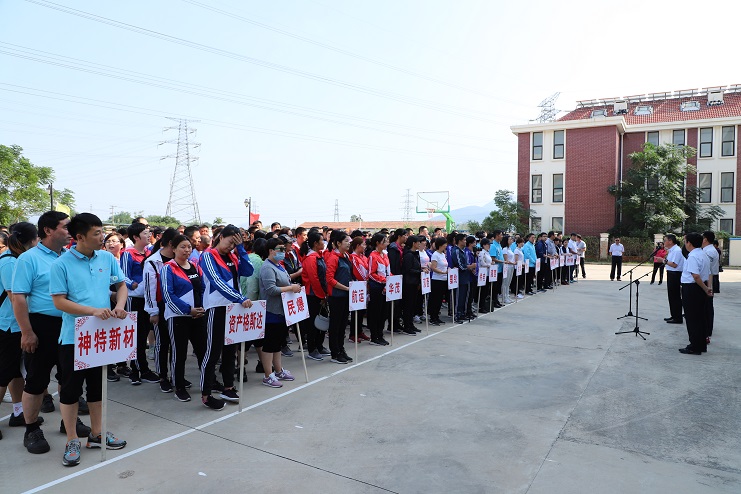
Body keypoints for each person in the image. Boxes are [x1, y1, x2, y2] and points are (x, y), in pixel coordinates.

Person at [49, 213, 128, 466]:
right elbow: (59, 301)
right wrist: (92, 311)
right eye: (97, 233)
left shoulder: (107, 258)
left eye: (101, 231)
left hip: (100, 336)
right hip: (74, 337)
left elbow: (121, 286)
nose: (102, 237)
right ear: (80, 237)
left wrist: (120, 306)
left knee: (97, 387)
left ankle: (96, 434)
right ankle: (72, 438)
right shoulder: (61, 264)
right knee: (70, 391)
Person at [12, 213, 92, 454]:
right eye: (65, 227)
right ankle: (31, 429)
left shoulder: (70, 256)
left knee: (71, 378)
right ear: (48, 230)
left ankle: (69, 422)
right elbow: (18, 298)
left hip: (70, 324)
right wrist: (27, 332)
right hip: (42, 326)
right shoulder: (29, 259)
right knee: (37, 380)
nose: (70, 231)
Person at [198, 225, 254, 410]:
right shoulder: (208, 256)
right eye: (230, 242)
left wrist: (241, 249)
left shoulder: (233, 256)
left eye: (235, 244)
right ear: (220, 237)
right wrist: (239, 297)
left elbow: (248, 271)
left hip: (233, 308)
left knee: (231, 349)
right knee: (213, 352)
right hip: (216, 307)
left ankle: (228, 387)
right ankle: (206, 394)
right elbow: (217, 281)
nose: (231, 246)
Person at [1, 223, 39, 444]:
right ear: (32, 240)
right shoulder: (9, 262)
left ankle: (18, 412)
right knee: (3, 374)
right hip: (8, 325)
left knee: (16, 372)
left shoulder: (16, 259)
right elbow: (14, 297)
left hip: (15, 325)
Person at [161, 234, 207, 402]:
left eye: (189, 247)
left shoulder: (195, 266)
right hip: (178, 317)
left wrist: (201, 308)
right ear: (173, 248)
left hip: (198, 316)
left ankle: (208, 383)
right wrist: (188, 310)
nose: (187, 250)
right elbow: (168, 295)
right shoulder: (168, 268)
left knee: (203, 351)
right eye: (183, 247)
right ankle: (179, 386)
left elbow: (202, 288)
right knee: (179, 354)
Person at [120, 222, 159, 385]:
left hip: (148, 298)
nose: (148, 235)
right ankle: (137, 369)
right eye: (145, 233)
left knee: (143, 334)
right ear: (135, 237)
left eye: (149, 232)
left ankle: (140, 369)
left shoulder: (150, 253)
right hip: (134, 298)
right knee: (135, 335)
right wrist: (132, 284)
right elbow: (122, 275)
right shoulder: (128, 254)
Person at [257, 237, 298, 386]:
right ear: (271, 251)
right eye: (280, 249)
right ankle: (268, 375)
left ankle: (279, 370)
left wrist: (292, 287)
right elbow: (271, 289)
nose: (283, 252)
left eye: (283, 249)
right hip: (271, 311)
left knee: (277, 343)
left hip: (282, 310)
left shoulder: (279, 265)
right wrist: (290, 288)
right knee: (270, 344)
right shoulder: (267, 267)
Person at [143, 228, 178, 392]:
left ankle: (176, 375)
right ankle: (163, 376)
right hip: (161, 307)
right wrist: (153, 311)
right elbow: (149, 289)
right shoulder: (152, 262)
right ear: (171, 244)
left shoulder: (179, 260)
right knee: (162, 343)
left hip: (177, 308)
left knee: (176, 344)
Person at [678, 233, 712, 355]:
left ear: (689, 243)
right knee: (700, 317)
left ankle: (695, 346)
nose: (685, 244)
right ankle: (701, 344)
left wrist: (705, 288)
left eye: (685, 241)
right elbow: (707, 273)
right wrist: (706, 288)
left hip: (692, 288)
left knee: (692, 318)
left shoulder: (693, 256)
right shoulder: (703, 254)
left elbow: (696, 276)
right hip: (699, 288)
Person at [325, 231, 354, 363]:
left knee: (342, 324)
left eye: (349, 241)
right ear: (338, 243)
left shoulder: (346, 256)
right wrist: (346, 288)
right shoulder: (333, 258)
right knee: (335, 325)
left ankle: (341, 349)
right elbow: (330, 279)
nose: (349, 243)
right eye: (346, 241)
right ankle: (335, 353)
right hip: (336, 296)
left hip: (346, 295)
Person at [300, 232, 331, 360]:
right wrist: (322, 296)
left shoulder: (318, 256)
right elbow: (314, 280)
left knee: (322, 321)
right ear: (315, 243)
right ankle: (312, 348)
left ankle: (319, 345)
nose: (324, 242)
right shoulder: (311, 258)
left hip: (320, 294)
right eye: (322, 240)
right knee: (313, 323)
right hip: (313, 295)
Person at [366, 233, 391, 345]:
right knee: (376, 312)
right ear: (377, 243)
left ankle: (380, 334)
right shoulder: (373, 256)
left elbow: (388, 271)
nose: (386, 243)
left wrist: (391, 279)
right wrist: (384, 280)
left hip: (386, 286)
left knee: (384, 312)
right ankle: (374, 336)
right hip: (377, 287)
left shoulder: (385, 255)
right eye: (384, 241)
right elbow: (371, 274)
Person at [349, 236, 370, 342]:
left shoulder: (363, 257)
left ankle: (359, 331)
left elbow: (368, 269)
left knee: (362, 310)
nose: (365, 246)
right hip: (358, 286)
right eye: (363, 244)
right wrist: (366, 281)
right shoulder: (353, 257)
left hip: (364, 286)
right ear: (357, 246)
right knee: (356, 311)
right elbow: (357, 272)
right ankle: (353, 334)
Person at [401, 235, 422, 334]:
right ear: (414, 243)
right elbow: (408, 270)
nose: (420, 244)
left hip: (415, 283)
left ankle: (411, 324)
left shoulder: (415, 254)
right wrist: (420, 271)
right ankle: (407, 326)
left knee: (413, 305)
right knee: (408, 305)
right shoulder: (408, 255)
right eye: (418, 242)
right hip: (408, 283)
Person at [701, 231, 719, 344]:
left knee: (707, 307)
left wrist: (708, 287)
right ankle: (706, 329)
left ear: (705, 239)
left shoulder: (709, 252)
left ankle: (707, 330)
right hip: (707, 279)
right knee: (706, 307)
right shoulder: (707, 250)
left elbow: (708, 271)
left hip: (708, 280)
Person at [663, 234, 684, 324]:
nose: (664, 242)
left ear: (670, 241)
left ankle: (677, 317)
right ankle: (674, 315)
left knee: (675, 296)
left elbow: (674, 264)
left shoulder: (677, 251)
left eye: (665, 240)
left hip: (675, 274)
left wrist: (663, 261)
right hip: (671, 273)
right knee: (671, 296)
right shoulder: (671, 250)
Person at [428, 237, 448, 324]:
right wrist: (443, 272)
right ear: (440, 245)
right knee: (435, 299)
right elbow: (433, 267)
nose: (446, 245)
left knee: (440, 299)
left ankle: (436, 316)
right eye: (445, 244)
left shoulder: (443, 254)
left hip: (443, 279)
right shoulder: (435, 254)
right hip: (437, 279)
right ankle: (433, 317)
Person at [477, 237, 492, 313]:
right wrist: (489, 265)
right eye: (488, 244)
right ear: (484, 245)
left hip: (488, 273)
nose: (489, 246)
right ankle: (481, 306)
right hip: (483, 273)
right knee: (482, 291)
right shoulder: (482, 253)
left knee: (486, 291)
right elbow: (482, 263)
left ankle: (484, 306)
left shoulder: (487, 252)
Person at [500, 235, 515, 304]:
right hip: (507, 266)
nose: (511, 240)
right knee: (505, 282)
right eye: (510, 239)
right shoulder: (505, 249)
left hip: (511, 266)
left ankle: (507, 295)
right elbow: (506, 260)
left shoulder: (510, 248)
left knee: (509, 282)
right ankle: (504, 297)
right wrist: (512, 263)